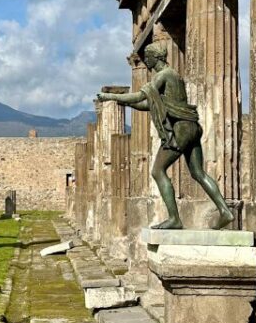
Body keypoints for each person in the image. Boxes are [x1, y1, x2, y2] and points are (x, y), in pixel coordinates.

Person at [97, 41, 234, 230]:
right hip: (192, 126)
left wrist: (112, 97)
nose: (146, 60)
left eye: (148, 57)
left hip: (180, 129)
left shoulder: (162, 76)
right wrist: (124, 103)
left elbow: (139, 97)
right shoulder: (174, 76)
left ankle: (174, 219)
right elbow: (148, 105)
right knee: (198, 172)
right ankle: (225, 210)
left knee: (157, 171)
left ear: (156, 57)